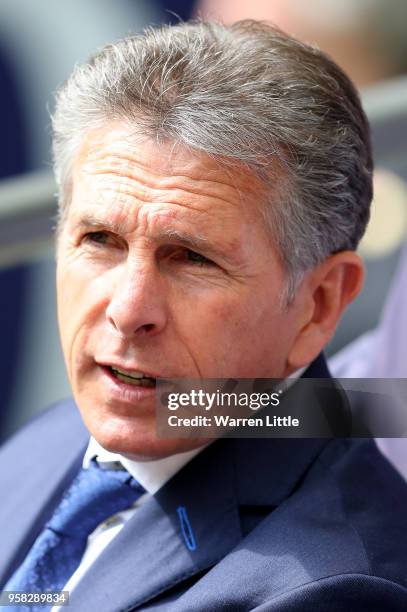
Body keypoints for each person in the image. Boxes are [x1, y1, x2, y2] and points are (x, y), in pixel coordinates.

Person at [0, 20, 406, 611]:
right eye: (99, 240)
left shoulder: (328, 589)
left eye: (191, 258)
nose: (127, 309)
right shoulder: (58, 435)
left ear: (318, 304)